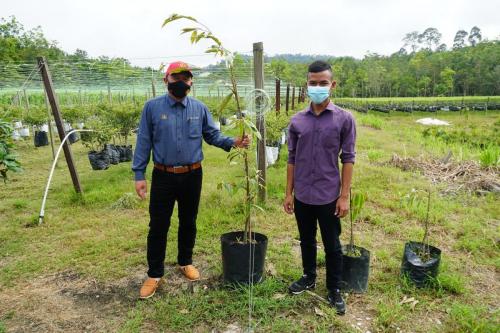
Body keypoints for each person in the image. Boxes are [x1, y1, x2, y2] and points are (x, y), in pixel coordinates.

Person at [132, 61, 250, 299]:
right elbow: (144, 140)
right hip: (163, 175)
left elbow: (212, 135)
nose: (181, 83)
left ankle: (185, 261)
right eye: (175, 78)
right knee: (158, 225)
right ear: (166, 81)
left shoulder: (199, 108)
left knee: (189, 220)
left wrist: (232, 142)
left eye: (185, 78)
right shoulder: (152, 108)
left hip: (192, 174)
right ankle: (155, 273)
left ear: (191, 82)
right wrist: (139, 174)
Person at [283, 60, 356, 315]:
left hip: (328, 195)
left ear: (332, 85)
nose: (317, 87)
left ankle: (334, 288)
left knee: (332, 243)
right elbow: (291, 159)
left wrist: (344, 196)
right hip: (303, 193)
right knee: (306, 239)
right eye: (313, 83)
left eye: (322, 83)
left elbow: (348, 158)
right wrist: (288, 193)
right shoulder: (297, 121)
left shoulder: (343, 120)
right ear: (307, 86)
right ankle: (308, 276)